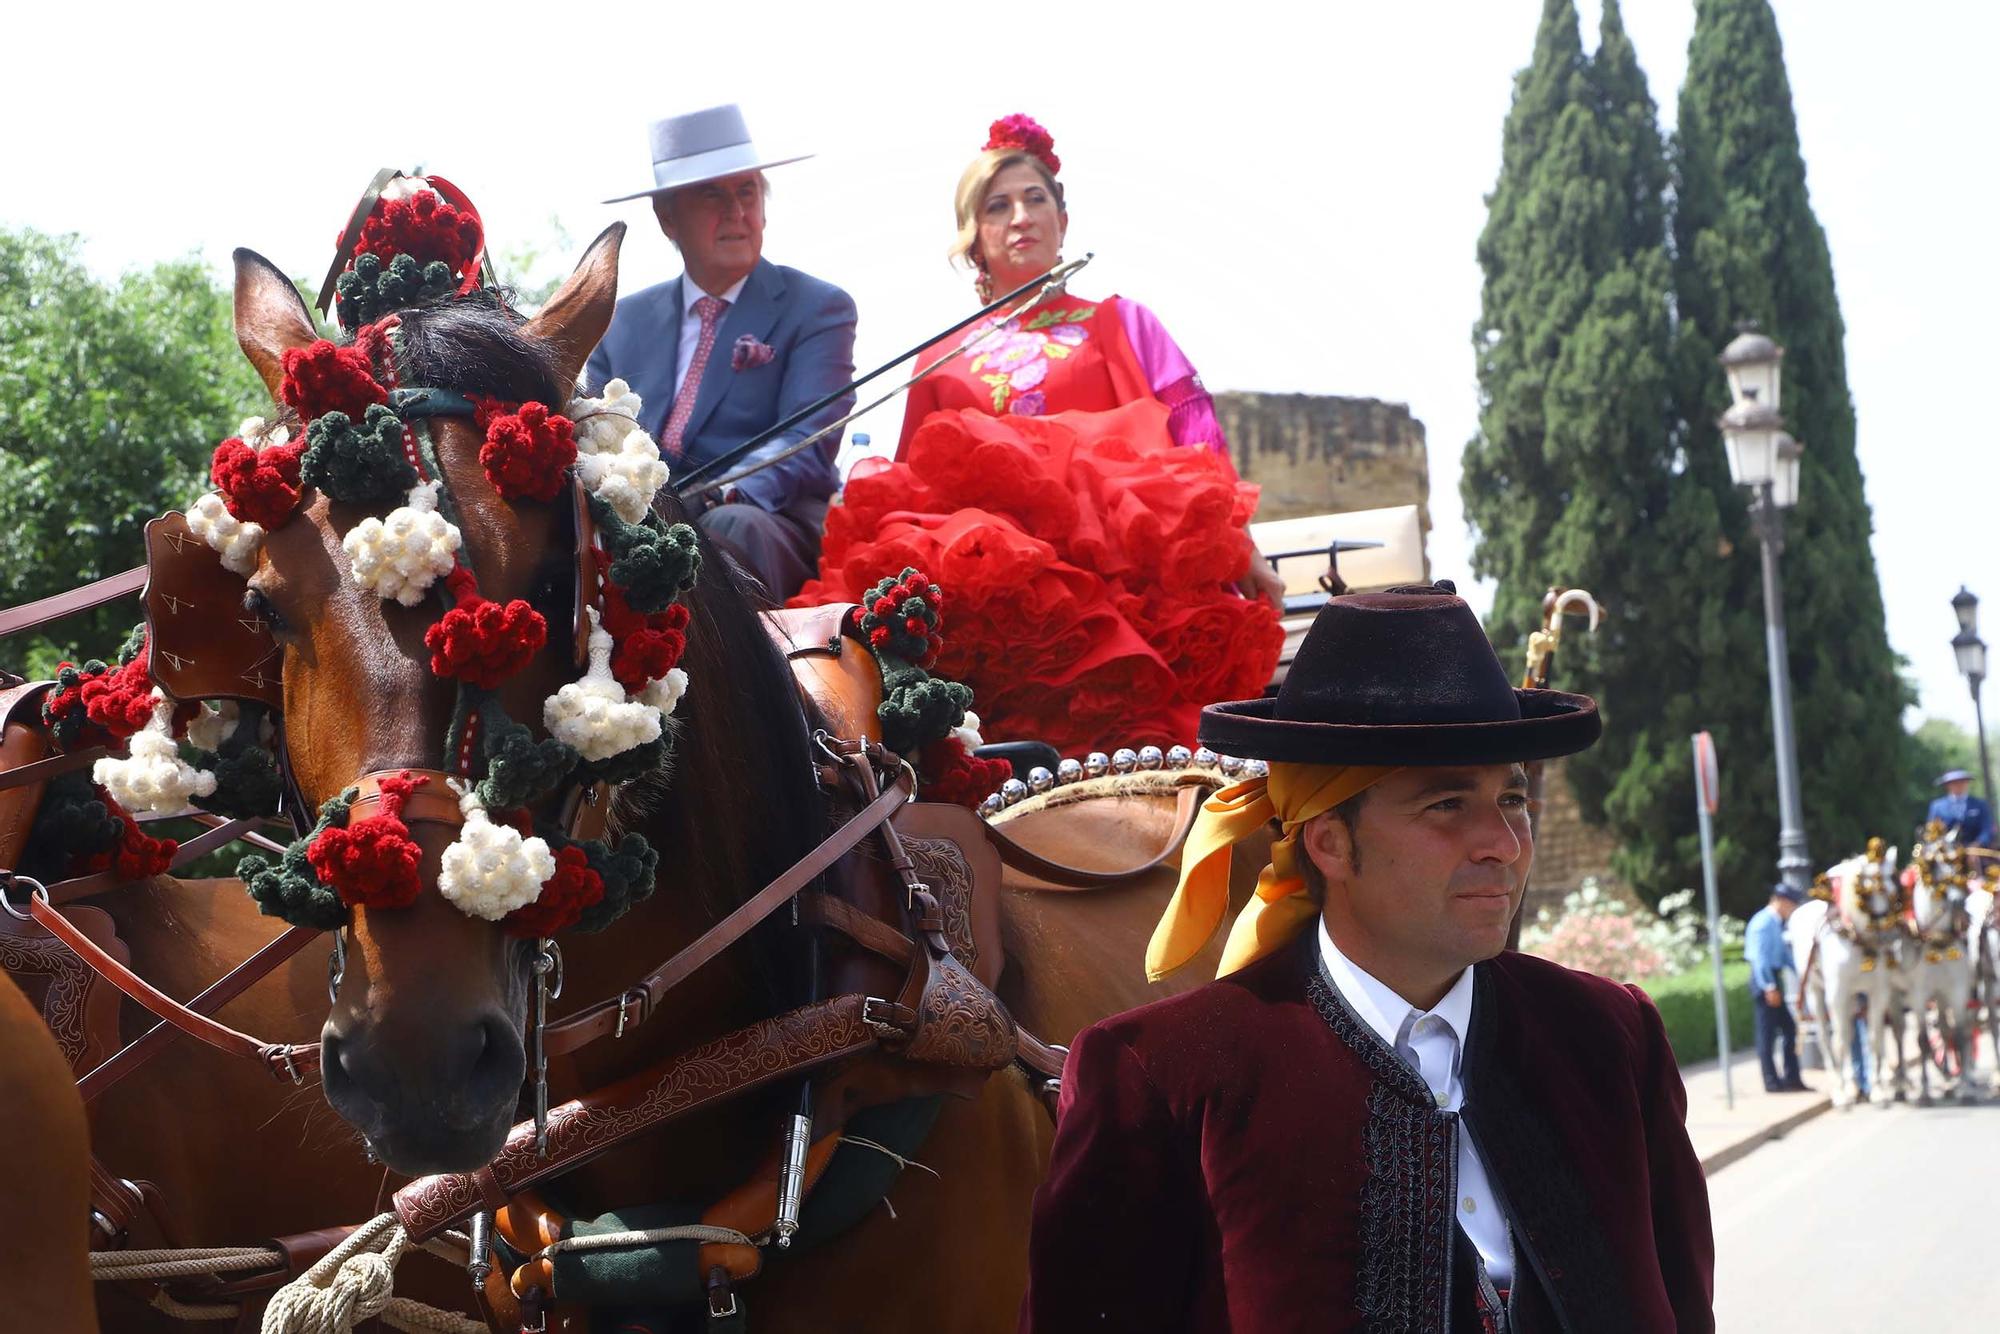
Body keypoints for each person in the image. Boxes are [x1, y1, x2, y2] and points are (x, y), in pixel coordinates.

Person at [1020, 583, 1714, 1332]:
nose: (1505, 845)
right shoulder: (1165, 1081)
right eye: (1446, 805)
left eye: (1512, 801)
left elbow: (1686, 1306)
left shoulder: (1609, 1036)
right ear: (1330, 841)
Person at [794, 114, 1285, 756]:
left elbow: (1195, 445)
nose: (1021, 216)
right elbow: (912, 492)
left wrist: (1237, 546)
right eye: (998, 206)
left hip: (1118, 573)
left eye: (1036, 199)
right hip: (995, 599)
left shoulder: (1122, 323)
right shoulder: (939, 358)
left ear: (1063, 221)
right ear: (974, 240)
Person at [590, 103, 858, 600]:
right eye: (712, 195)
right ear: (666, 216)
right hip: (640, 520)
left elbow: (808, 436)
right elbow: (595, 436)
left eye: (747, 192)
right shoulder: (619, 321)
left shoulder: (818, 308)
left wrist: (725, 490)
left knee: (729, 529)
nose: (737, 213)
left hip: (766, 520)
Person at [1745, 883, 1810, 1094]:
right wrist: (1769, 986)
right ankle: (1771, 1082)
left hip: (1773, 979)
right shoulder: (1763, 923)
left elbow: (1783, 955)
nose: (1792, 909)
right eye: (1791, 904)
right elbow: (1760, 959)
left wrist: (1804, 973)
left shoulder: (1775, 922)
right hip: (1765, 981)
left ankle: (1791, 1077)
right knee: (1767, 1035)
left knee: (1789, 1029)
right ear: (1780, 900)